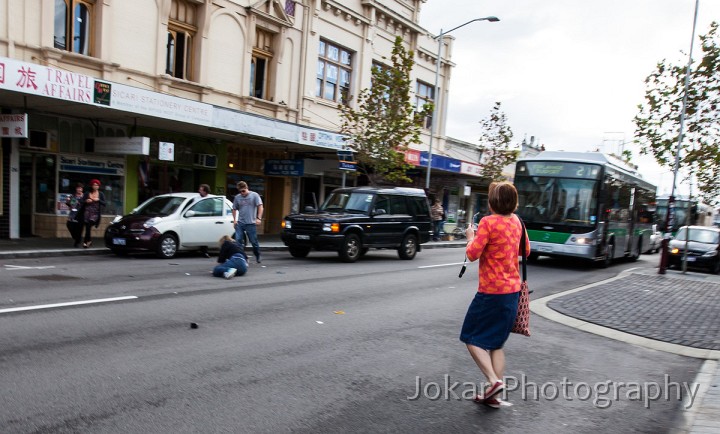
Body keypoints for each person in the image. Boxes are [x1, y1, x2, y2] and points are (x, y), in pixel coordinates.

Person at [460, 181, 530, 409]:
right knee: (497, 344)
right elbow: (525, 251)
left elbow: (472, 254)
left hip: (491, 292)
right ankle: (494, 396)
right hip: (512, 292)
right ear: (514, 202)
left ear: (492, 202)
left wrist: (471, 235)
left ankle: (493, 381)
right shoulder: (518, 222)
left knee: (471, 336)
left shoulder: (488, 222)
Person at [232, 181, 264, 263]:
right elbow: (234, 209)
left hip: (251, 223)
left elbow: (260, 207)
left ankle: (257, 254)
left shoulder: (254, 195)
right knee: (238, 240)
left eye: (243, 191)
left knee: (254, 241)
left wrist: (259, 218)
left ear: (247, 188)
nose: (242, 193)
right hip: (240, 222)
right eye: (240, 191)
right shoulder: (237, 197)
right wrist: (234, 220)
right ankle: (242, 258)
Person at [81, 179, 106, 248]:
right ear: (91, 186)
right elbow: (81, 201)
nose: (96, 186)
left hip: (95, 213)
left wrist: (99, 200)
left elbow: (104, 203)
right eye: (94, 185)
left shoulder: (101, 194)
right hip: (87, 213)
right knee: (87, 228)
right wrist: (86, 201)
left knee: (89, 226)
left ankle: (87, 241)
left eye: (97, 185)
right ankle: (87, 241)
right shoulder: (87, 193)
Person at [65, 182, 84, 247]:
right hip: (73, 214)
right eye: (78, 188)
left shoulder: (84, 196)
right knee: (69, 225)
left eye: (80, 188)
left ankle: (77, 242)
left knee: (79, 229)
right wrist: (68, 201)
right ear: (76, 189)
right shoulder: (73, 196)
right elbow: (71, 204)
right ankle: (76, 238)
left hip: (81, 215)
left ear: (82, 189)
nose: (79, 189)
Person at [196, 184, 212, 258]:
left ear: (205, 191)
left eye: (201, 190)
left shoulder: (210, 199)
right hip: (197, 218)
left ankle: (204, 251)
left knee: (205, 234)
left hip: (206, 219)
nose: (199, 191)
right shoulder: (196, 198)